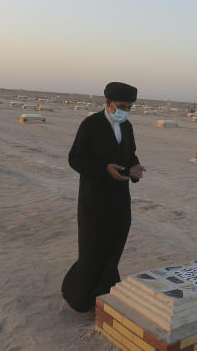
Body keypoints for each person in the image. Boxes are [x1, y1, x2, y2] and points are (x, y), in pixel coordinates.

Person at [61, 81, 146, 312]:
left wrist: (135, 169)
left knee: (114, 247)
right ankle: (80, 298)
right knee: (92, 249)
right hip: (94, 200)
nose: (125, 111)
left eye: (129, 107)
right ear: (108, 103)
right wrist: (103, 168)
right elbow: (75, 158)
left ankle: (104, 294)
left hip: (120, 200)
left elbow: (130, 156)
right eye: (122, 106)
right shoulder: (90, 125)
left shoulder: (127, 127)